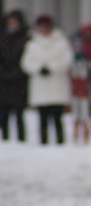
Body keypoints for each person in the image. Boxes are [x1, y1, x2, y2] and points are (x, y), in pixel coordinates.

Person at [20, 14, 74, 145]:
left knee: (57, 117)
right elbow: (26, 63)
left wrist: (52, 68)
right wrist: (38, 68)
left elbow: (67, 60)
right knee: (42, 117)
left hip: (57, 85)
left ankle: (60, 142)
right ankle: (43, 142)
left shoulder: (61, 42)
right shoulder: (32, 44)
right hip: (40, 86)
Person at [0, 10, 30, 142]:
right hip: (3, 83)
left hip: (20, 82)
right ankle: (5, 139)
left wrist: (18, 73)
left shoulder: (26, 39)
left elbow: (29, 59)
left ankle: (21, 141)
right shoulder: (2, 38)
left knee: (19, 114)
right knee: (4, 114)